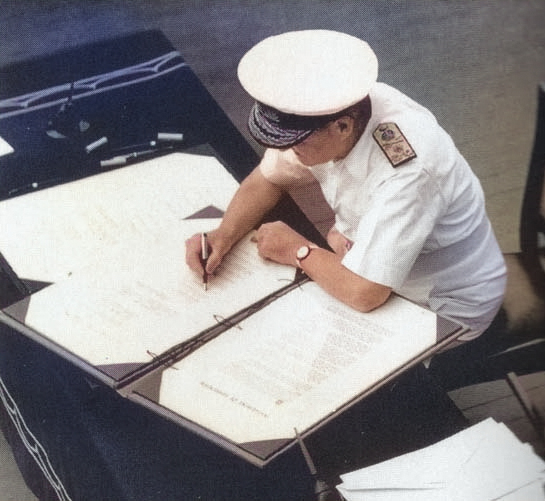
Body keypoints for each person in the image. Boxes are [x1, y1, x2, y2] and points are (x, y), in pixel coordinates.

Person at [186, 29, 506, 343]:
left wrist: (298, 250)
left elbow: (363, 293)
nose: (286, 151)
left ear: (342, 125)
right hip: (376, 268)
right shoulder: (334, 111)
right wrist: (223, 236)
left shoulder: (408, 172)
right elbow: (267, 178)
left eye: (296, 143)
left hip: (441, 306)